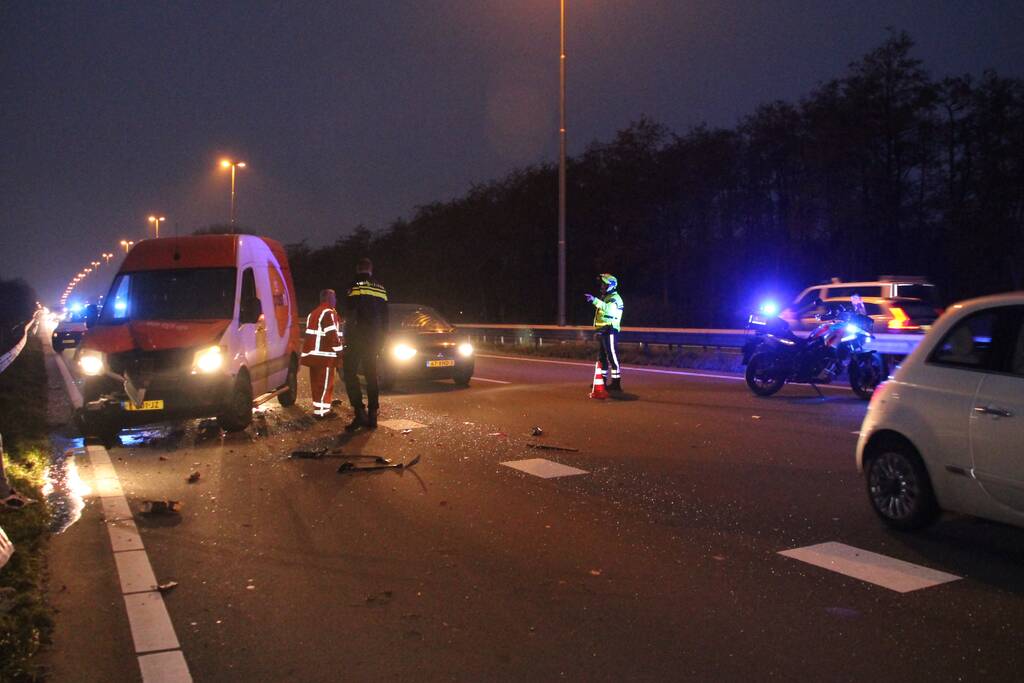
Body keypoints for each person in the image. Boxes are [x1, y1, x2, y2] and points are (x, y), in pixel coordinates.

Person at [341, 258, 389, 431]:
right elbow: (385, 317)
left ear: (357, 268)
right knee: (371, 375)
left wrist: (347, 336)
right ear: (371, 269)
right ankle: (373, 414)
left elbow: (350, 313)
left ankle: (359, 412)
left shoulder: (354, 285)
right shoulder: (380, 287)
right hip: (375, 339)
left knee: (349, 373)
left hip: (357, 337)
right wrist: (382, 340)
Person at [300, 289, 343, 419]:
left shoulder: (313, 313)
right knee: (325, 385)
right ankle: (323, 412)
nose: (335, 300)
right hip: (325, 355)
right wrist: (339, 350)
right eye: (334, 297)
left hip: (314, 355)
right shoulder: (328, 313)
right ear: (328, 298)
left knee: (317, 384)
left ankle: (319, 410)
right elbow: (332, 335)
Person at [585, 273, 624, 391]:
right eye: (602, 284)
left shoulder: (615, 298)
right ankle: (601, 381)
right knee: (602, 357)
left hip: (610, 329)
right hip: (604, 330)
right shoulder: (606, 297)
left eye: (604, 284)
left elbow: (608, 309)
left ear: (610, 285)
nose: (602, 286)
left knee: (612, 356)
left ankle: (616, 384)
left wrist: (594, 300)